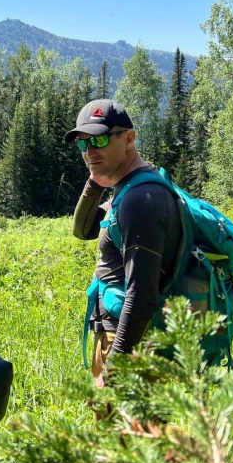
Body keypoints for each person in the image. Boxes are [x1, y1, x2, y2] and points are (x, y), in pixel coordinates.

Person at [66, 99, 183, 386]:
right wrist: (95, 182)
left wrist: (114, 367)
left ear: (129, 139)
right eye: (84, 144)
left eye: (100, 140)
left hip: (127, 343)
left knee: (124, 430)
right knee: (133, 430)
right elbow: (83, 230)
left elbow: (142, 295)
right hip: (124, 338)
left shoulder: (140, 200)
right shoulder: (130, 191)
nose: (90, 151)